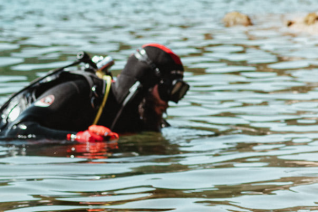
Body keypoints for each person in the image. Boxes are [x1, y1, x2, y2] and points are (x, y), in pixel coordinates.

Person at [0, 44, 189, 142]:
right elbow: (16, 130)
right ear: (145, 84)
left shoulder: (142, 117)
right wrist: (77, 139)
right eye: (167, 90)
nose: (170, 101)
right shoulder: (79, 90)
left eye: (178, 92)